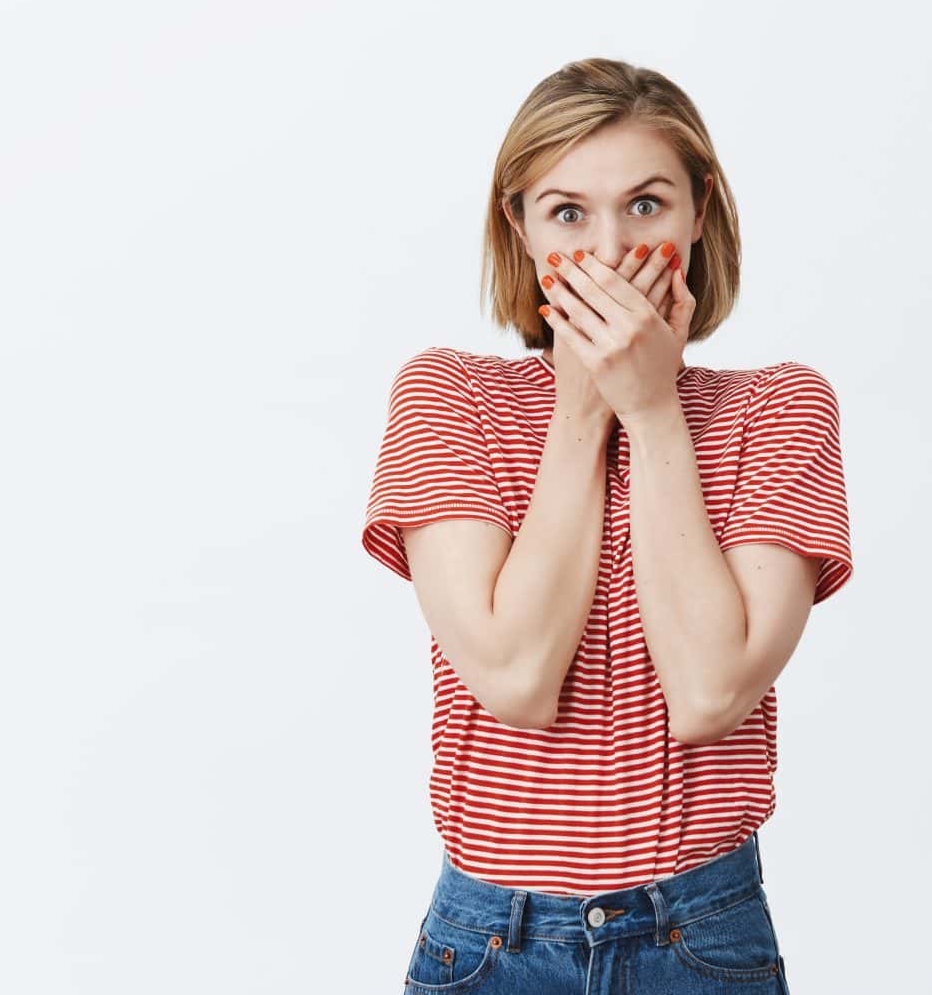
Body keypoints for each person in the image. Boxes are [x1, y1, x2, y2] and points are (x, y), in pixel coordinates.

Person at [361, 58, 852, 994]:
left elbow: (710, 694)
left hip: (700, 937)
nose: (610, 250)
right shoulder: (447, 397)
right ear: (521, 226)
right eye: (568, 214)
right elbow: (514, 677)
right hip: (492, 946)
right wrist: (583, 411)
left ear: (699, 211)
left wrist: (656, 412)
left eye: (646, 205)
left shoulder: (779, 410)